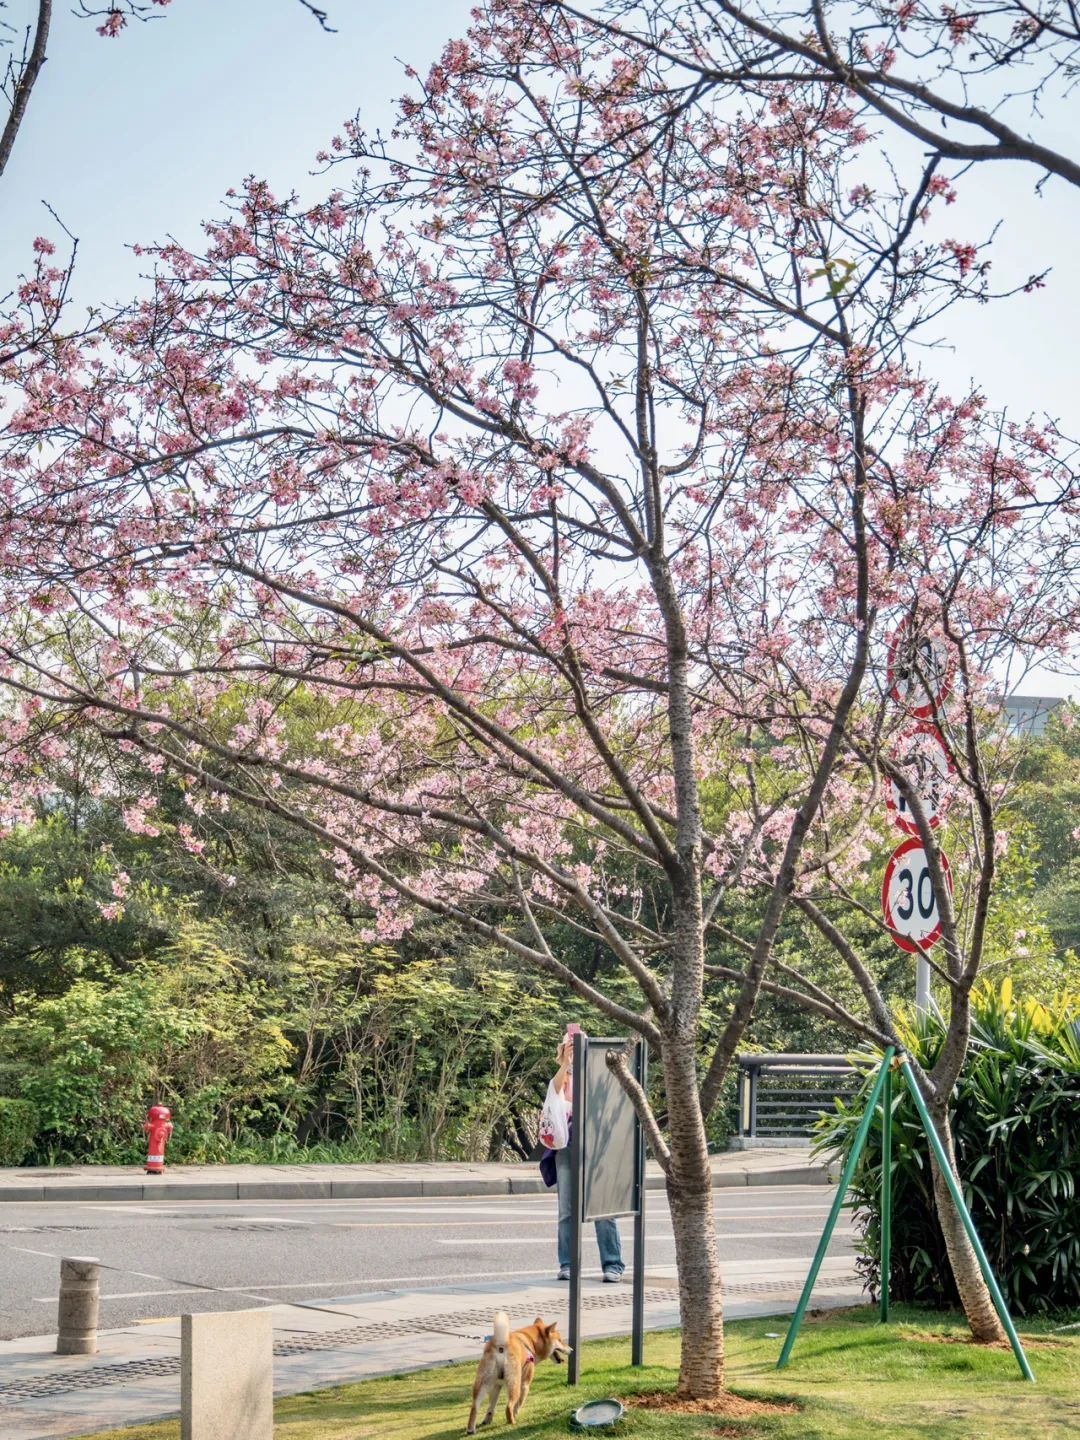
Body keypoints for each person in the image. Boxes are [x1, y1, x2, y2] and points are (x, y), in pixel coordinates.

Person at [550, 1035, 625, 1283]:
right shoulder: (563, 1076)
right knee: (567, 1211)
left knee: (602, 1208)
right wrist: (565, 1063)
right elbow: (554, 1095)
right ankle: (567, 1264)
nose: (574, 1050)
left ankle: (613, 1264)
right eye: (569, 1046)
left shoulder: (596, 1072)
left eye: (577, 1046)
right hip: (567, 1146)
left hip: (596, 1146)